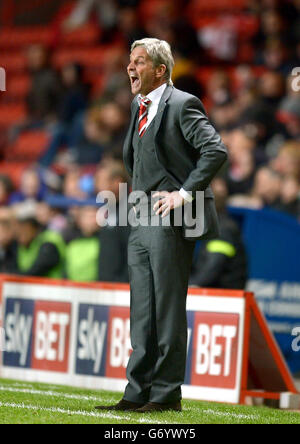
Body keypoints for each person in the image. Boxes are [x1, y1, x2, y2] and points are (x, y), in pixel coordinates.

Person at [95, 38, 227, 413]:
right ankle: (137, 391)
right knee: (142, 310)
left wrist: (184, 195)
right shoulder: (138, 104)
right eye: (129, 61)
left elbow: (215, 149)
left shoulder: (182, 104)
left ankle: (165, 394)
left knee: (166, 311)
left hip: (172, 218)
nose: (130, 68)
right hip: (140, 217)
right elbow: (137, 161)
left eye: (139, 62)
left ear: (160, 70)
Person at [190, 178, 248, 289]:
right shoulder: (220, 226)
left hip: (223, 298)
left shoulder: (222, 230)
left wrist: (189, 285)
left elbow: (212, 268)